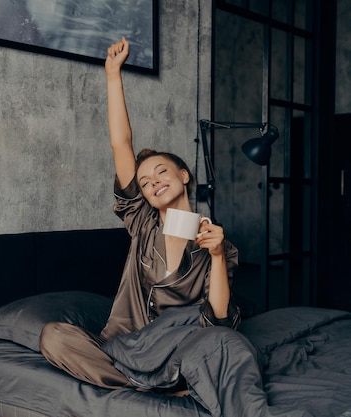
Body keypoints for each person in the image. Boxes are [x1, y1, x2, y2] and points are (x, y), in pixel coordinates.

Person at [39, 37, 241, 393]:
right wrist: (113, 74)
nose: (153, 183)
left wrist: (217, 255)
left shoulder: (215, 240)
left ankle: (158, 377)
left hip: (173, 348)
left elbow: (220, 316)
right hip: (123, 347)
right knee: (53, 337)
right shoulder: (143, 223)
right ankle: (152, 383)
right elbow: (121, 144)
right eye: (145, 182)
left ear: (184, 175)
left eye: (161, 172)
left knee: (211, 344)